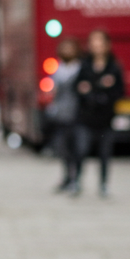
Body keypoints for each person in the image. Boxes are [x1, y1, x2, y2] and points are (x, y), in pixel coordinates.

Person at [73, 29, 125, 197]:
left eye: (100, 43)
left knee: (104, 154)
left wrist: (107, 90)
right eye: (93, 43)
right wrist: (84, 90)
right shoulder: (85, 64)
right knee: (81, 150)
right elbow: (77, 86)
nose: (96, 47)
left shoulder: (114, 67)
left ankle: (103, 184)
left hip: (105, 118)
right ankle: (77, 181)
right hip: (86, 117)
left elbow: (121, 91)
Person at [48, 37, 83, 192]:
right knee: (63, 148)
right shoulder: (58, 69)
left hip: (77, 114)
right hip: (61, 114)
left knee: (77, 149)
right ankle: (67, 177)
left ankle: (76, 179)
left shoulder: (81, 68)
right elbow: (53, 91)